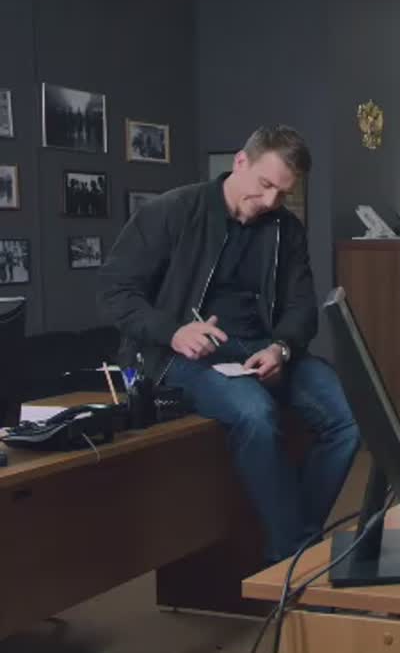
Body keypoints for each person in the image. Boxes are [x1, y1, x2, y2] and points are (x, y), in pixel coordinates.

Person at [99, 124, 359, 564]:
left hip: (261, 346)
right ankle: (295, 553)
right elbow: (114, 292)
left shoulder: (287, 230)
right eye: (265, 184)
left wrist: (281, 348)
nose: (271, 201)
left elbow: (302, 307)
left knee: (349, 417)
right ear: (240, 162)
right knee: (255, 413)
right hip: (178, 354)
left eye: (283, 192)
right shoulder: (172, 211)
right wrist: (174, 331)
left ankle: (293, 541)